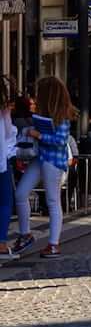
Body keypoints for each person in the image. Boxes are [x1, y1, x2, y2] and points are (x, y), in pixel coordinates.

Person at [13, 76, 77, 259]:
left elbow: (60, 141)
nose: (34, 98)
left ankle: (53, 244)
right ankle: (25, 234)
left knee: (52, 201)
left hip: (53, 162)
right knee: (21, 193)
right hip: (40, 158)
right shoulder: (44, 115)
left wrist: (38, 135)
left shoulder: (63, 117)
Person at [0, 76, 17, 261]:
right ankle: (2, 244)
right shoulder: (3, 109)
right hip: (0, 162)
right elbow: (7, 132)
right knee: (4, 201)